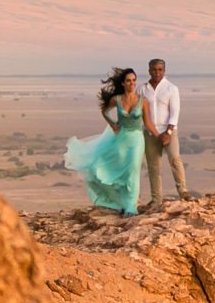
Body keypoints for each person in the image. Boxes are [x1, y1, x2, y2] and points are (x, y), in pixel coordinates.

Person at [64, 66, 151, 216]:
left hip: (137, 139)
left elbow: (148, 123)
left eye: (134, 80)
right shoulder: (116, 100)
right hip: (121, 138)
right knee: (118, 172)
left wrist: (162, 135)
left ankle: (131, 207)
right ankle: (121, 202)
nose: (132, 83)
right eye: (128, 81)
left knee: (133, 170)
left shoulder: (143, 101)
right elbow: (104, 111)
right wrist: (112, 124)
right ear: (123, 83)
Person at [137, 57, 187, 213]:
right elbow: (137, 110)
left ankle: (183, 191)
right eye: (154, 69)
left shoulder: (171, 88)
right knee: (153, 166)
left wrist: (168, 132)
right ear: (149, 70)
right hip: (150, 133)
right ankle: (156, 199)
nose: (157, 72)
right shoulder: (142, 89)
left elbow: (175, 112)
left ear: (164, 71)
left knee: (175, 159)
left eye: (160, 69)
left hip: (168, 131)